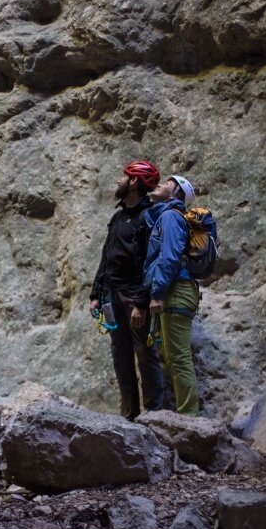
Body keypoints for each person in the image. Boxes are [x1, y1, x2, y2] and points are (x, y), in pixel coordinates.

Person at [89, 160, 167, 419]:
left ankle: (155, 416)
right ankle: (129, 416)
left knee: (146, 355)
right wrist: (95, 294)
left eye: (124, 176)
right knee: (120, 356)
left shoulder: (148, 218)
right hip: (112, 295)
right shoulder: (118, 217)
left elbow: (151, 261)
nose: (119, 181)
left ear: (134, 182)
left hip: (134, 298)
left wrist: (142, 302)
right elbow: (106, 256)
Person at [144, 173, 202, 415]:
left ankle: (189, 418)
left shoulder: (169, 216)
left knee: (178, 357)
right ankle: (186, 415)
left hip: (176, 289)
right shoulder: (168, 216)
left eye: (168, 183)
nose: (161, 184)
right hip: (177, 290)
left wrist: (157, 293)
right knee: (172, 356)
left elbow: (169, 257)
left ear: (177, 193)